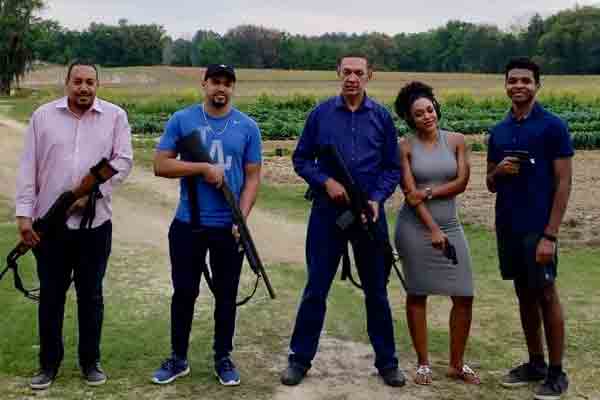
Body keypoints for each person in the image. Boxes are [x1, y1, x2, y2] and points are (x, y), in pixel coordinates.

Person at [280, 54, 405, 387]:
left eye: (359, 73)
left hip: (368, 215)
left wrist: (377, 199)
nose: (352, 78)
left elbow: (392, 167)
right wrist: (326, 182)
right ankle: (300, 359)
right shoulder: (320, 115)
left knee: (376, 291)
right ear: (338, 73)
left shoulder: (381, 117)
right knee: (316, 288)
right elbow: (301, 159)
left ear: (370, 76)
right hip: (327, 214)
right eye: (347, 72)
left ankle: (387, 362)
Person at [15, 60, 133, 389]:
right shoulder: (42, 117)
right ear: (66, 82)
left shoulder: (115, 117)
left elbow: (123, 161)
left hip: (96, 226)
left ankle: (90, 362)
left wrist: (92, 192)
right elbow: (28, 168)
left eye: (90, 82)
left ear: (98, 85)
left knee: (91, 296)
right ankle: (48, 365)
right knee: (51, 296)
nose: (84, 87)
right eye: (77, 81)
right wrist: (25, 216)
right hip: (50, 227)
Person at [151, 64, 262, 387]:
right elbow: (160, 165)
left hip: (228, 227)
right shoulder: (182, 120)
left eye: (227, 84)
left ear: (233, 88)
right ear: (204, 84)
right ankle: (178, 358)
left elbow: (253, 176)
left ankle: (222, 357)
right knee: (184, 293)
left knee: (226, 296)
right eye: (215, 82)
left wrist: (242, 217)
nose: (221, 89)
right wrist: (202, 167)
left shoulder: (247, 126)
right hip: (188, 224)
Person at [487, 57, 573, 400]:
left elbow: (564, 184)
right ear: (505, 85)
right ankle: (535, 363)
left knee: (547, 294)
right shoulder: (499, 130)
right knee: (523, 294)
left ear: (538, 84)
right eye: (513, 80)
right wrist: (500, 173)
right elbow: (490, 183)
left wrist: (550, 235)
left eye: (525, 80)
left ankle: (556, 373)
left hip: (539, 229)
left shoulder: (554, 127)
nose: (518, 85)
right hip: (508, 226)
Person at [393, 81, 479, 385]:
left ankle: (457, 363)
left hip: (451, 224)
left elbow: (461, 182)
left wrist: (428, 192)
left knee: (465, 294)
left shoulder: (456, 140)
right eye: (419, 113)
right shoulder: (404, 146)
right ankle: (423, 364)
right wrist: (431, 229)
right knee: (418, 293)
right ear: (410, 118)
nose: (427, 116)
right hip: (414, 228)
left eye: (430, 109)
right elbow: (408, 194)